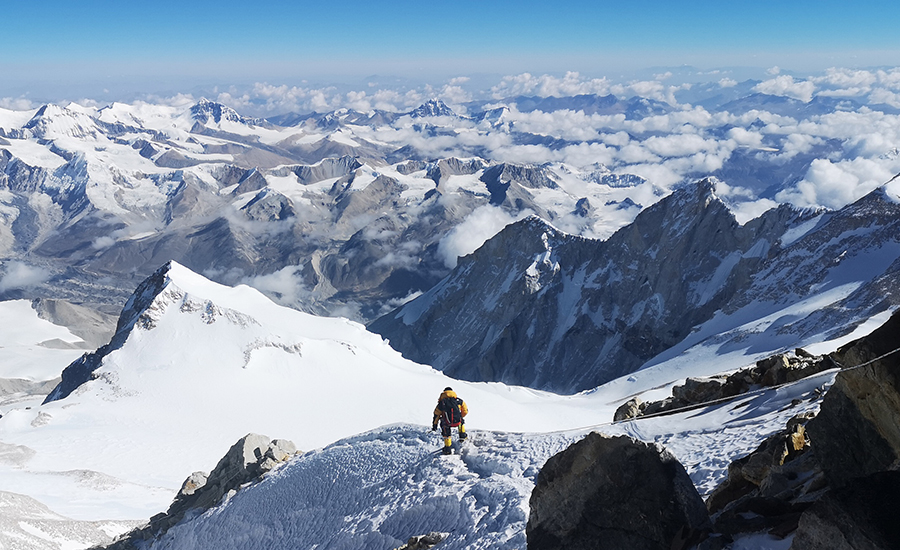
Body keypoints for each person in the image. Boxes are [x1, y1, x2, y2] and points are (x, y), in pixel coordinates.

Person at [432, 386, 468, 455]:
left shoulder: (441, 403)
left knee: (445, 428)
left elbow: (436, 415)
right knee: (461, 421)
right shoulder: (458, 401)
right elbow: (465, 411)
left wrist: (434, 425)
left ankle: (447, 447)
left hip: (447, 422)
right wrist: (460, 416)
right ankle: (462, 435)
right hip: (457, 422)